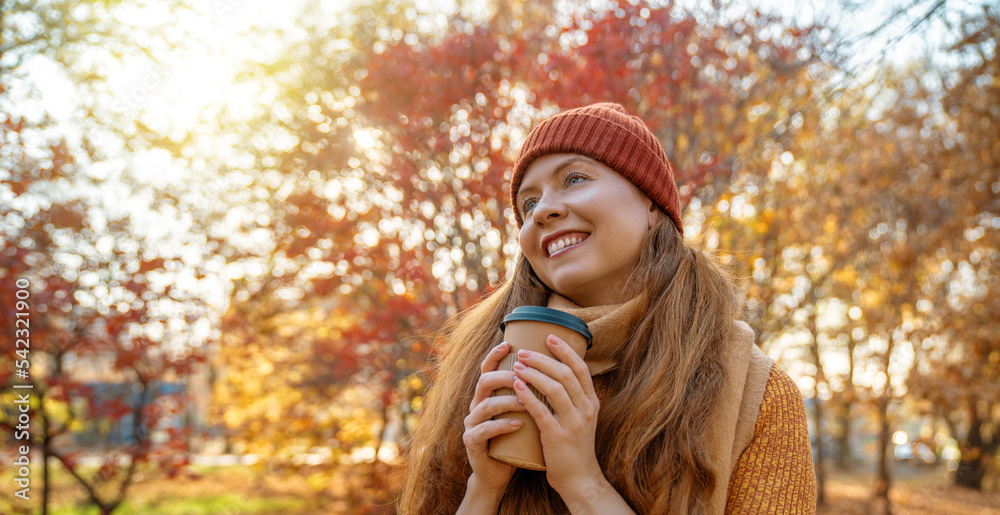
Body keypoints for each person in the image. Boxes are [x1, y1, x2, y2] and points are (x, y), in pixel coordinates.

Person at [398, 103, 816, 514]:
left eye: (575, 178)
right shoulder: (482, 365)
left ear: (651, 204)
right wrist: (482, 491)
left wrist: (583, 484)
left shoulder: (758, 395)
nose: (542, 210)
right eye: (528, 204)